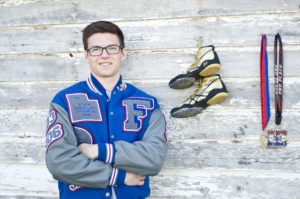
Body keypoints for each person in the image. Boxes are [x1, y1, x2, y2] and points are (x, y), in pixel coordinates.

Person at [45, 21, 168, 199]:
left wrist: (99, 151)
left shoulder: (147, 103)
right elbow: (59, 161)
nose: (104, 55)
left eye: (112, 48)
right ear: (86, 55)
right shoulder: (64, 100)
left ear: (123, 53)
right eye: (96, 49)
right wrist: (119, 176)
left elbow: (155, 159)